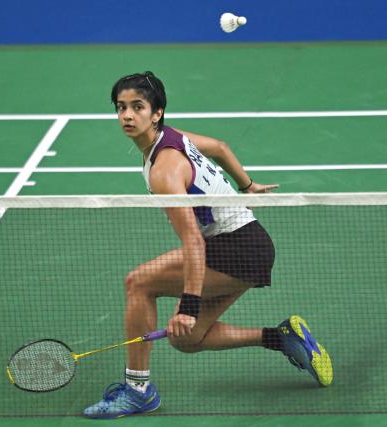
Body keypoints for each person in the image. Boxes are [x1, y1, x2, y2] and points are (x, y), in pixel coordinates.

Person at [83, 72, 332, 419]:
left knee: (138, 282)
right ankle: (282, 337)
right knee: (186, 339)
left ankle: (137, 390)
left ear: (157, 113)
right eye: (121, 107)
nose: (127, 115)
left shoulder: (164, 171)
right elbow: (220, 147)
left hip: (237, 248)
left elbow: (193, 241)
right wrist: (246, 185)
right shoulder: (172, 138)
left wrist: (189, 304)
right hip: (246, 243)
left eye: (137, 107)